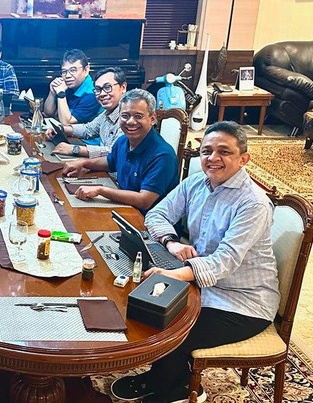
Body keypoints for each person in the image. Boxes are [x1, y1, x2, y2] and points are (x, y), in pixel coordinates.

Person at [110, 121, 279, 403]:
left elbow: (225, 261)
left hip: (243, 302)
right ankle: (161, 378)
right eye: (206, 151)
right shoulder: (196, 183)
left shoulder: (253, 204)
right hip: (203, 284)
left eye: (224, 151)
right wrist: (171, 242)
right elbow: (157, 214)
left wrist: (175, 275)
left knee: (173, 328)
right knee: (145, 307)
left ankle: (179, 389)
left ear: (243, 159)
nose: (213, 158)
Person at [62, 89, 178, 214]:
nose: (130, 122)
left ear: (152, 119)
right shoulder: (123, 140)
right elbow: (110, 162)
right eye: (125, 116)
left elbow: (144, 201)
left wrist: (101, 190)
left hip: (147, 218)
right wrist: (84, 163)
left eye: (138, 116)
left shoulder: (163, 156)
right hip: (124, 206)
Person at [44, 67, 127, 158]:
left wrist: (75, 149)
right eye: (98, 89)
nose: (102, 94)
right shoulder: (108, 113)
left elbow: (114, 152)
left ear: (123, 87)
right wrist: (61, 129)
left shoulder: (129, 115)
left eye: (107, 87)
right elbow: (88, 129)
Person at [43, 49, 102, 126]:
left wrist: (61, 94)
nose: (67, 76)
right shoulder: (69, 85)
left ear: (86, 70)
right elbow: (48, 114)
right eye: (64, 71)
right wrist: (52, 92)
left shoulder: (92, 94)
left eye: (73, 70)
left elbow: (67, 123)